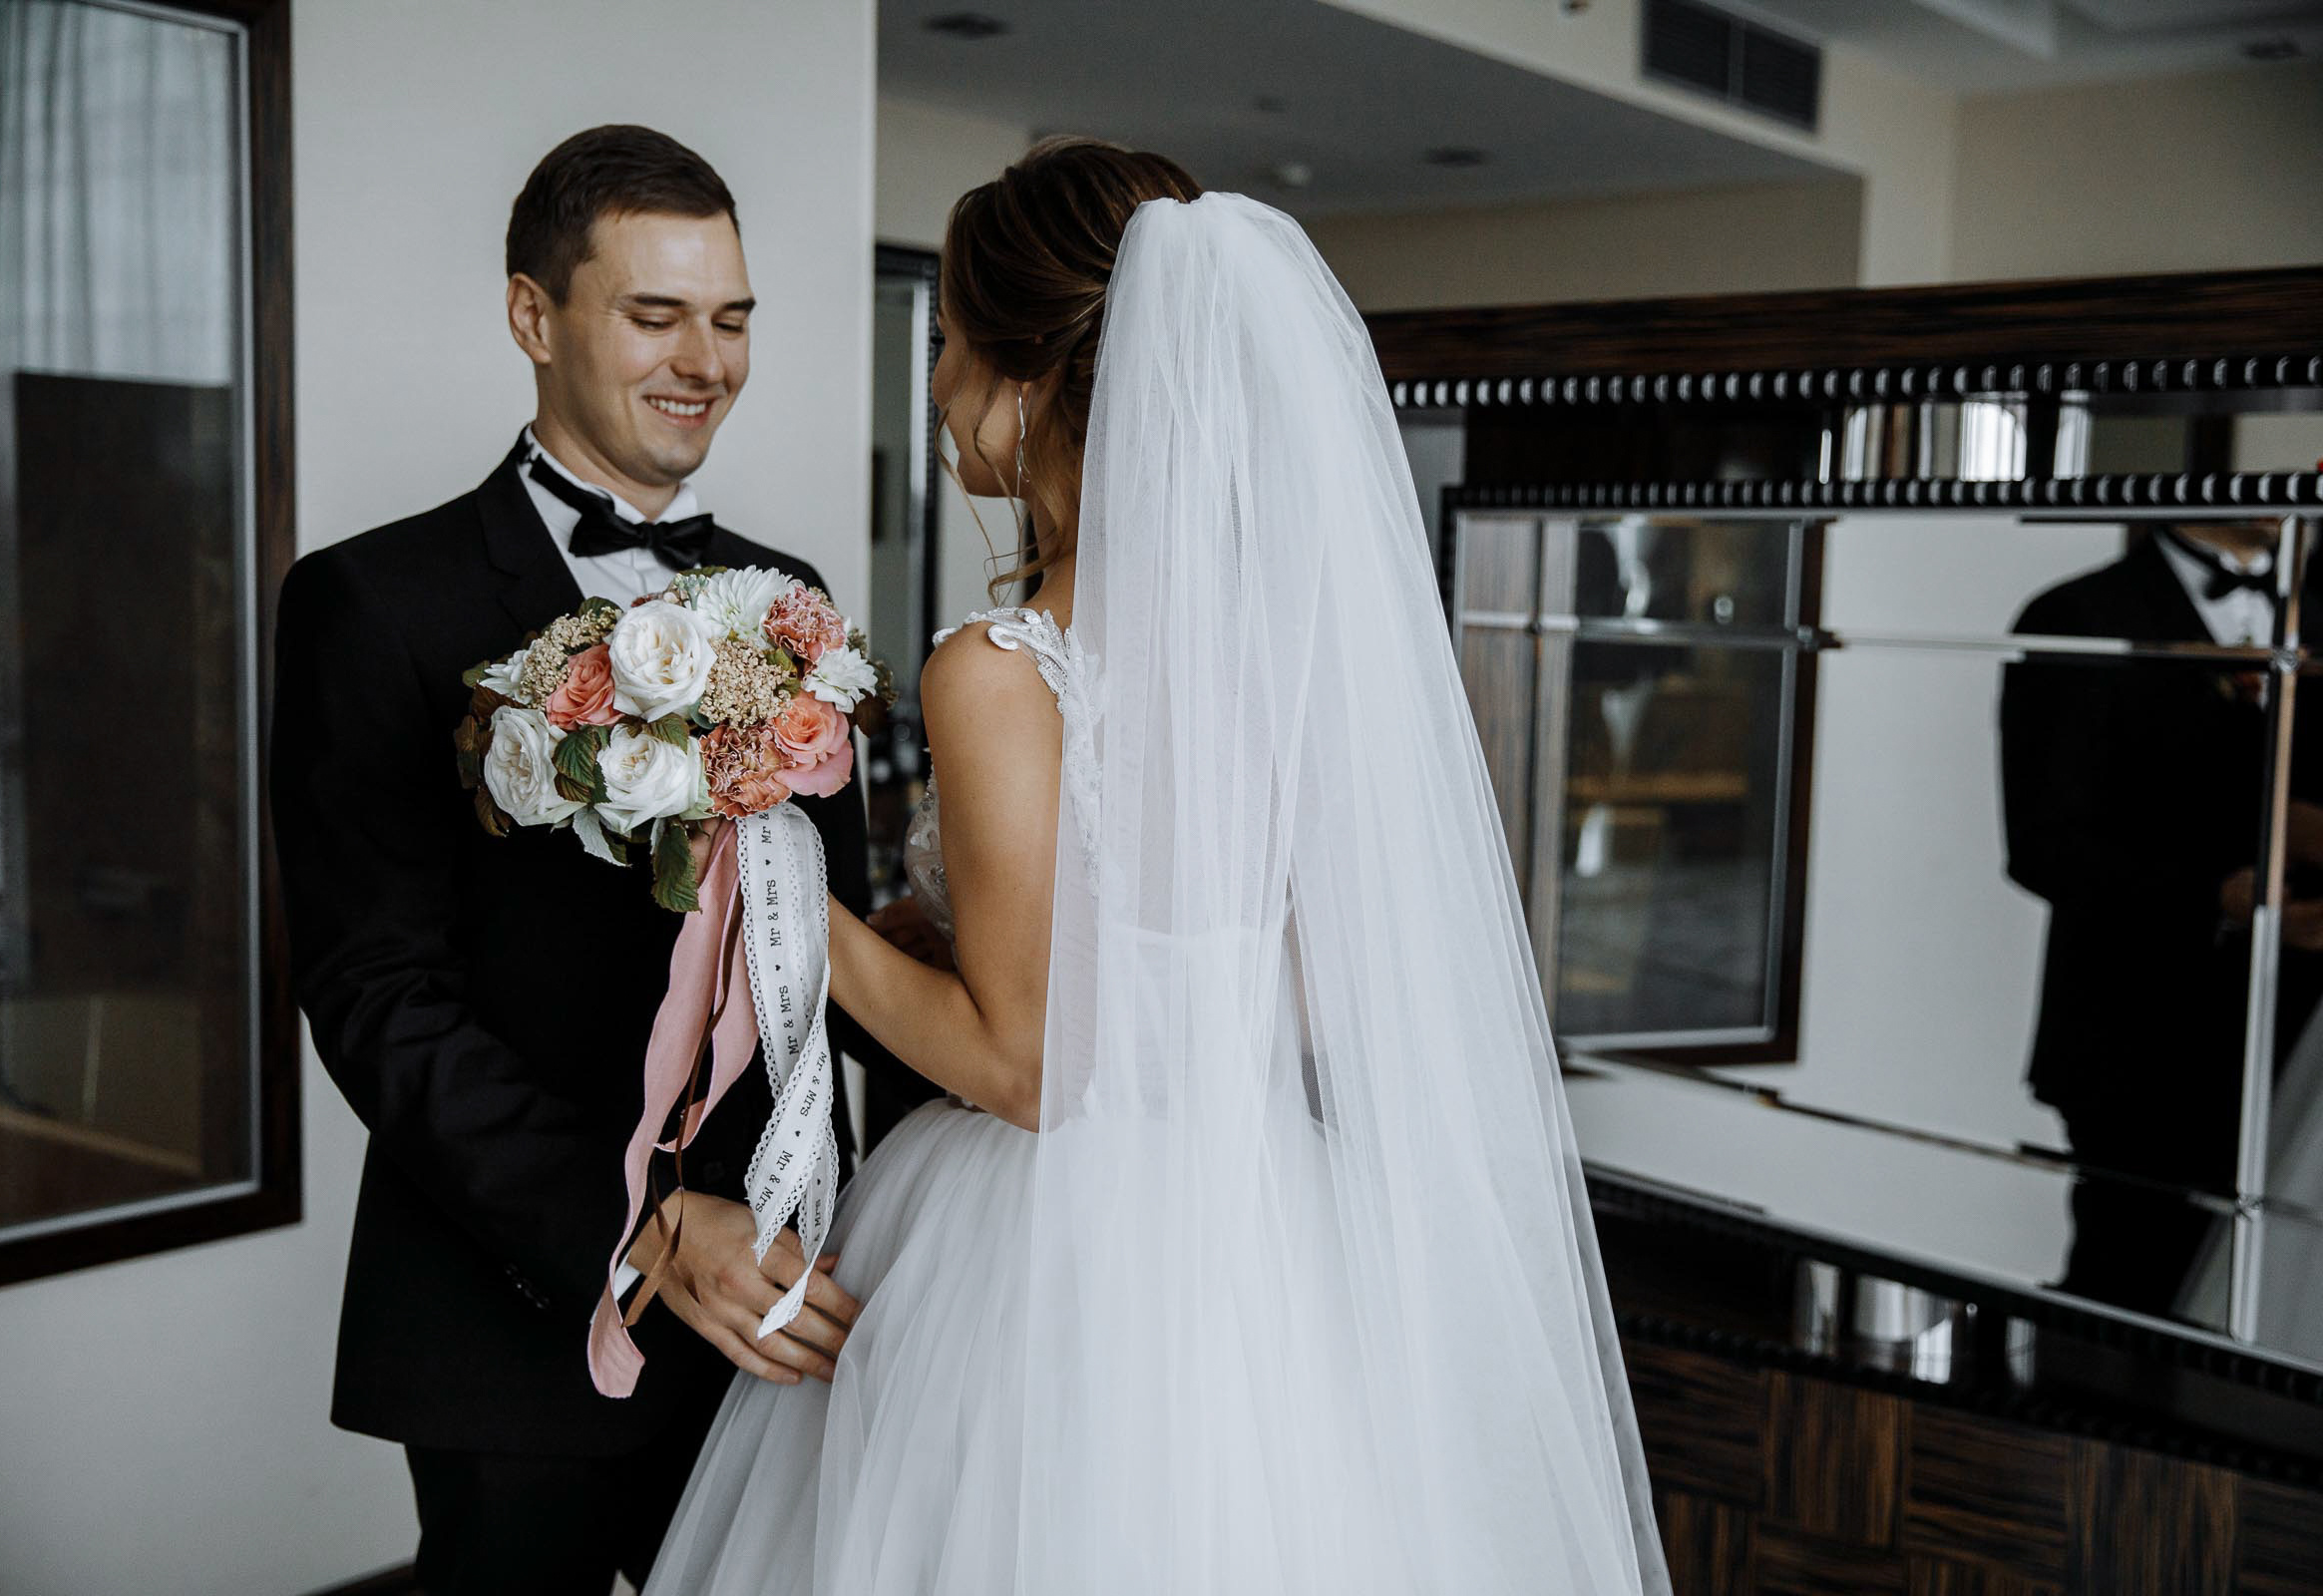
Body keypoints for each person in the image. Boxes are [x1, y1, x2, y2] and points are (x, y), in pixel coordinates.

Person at [644, 138, 1670, 1596]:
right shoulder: (1299, 650)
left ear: (1029, 377)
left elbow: (1030, 1072)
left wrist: (775, 899)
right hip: (1270, 1224)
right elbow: (1300, 993)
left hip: (1051, 1251)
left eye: (946, 341)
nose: (935, 384)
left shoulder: (1000, 670)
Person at [269, 124, 928, 1594]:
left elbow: (836, 954)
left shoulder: (792, 605)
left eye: (734, 316)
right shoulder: (373, 602)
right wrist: (633, 1229)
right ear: (533, 318)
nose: (706, 357)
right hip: (517, 1319)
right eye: (655, 313)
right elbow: (376, 994)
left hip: (785, 1300)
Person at [2002, 520, 2323, 1318]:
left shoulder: (2315, 611)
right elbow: (2043, 847)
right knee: (2129, 1292)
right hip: (2136, 1041)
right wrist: (2214, 895)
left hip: (2302, 1040)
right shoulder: (2077, 613)